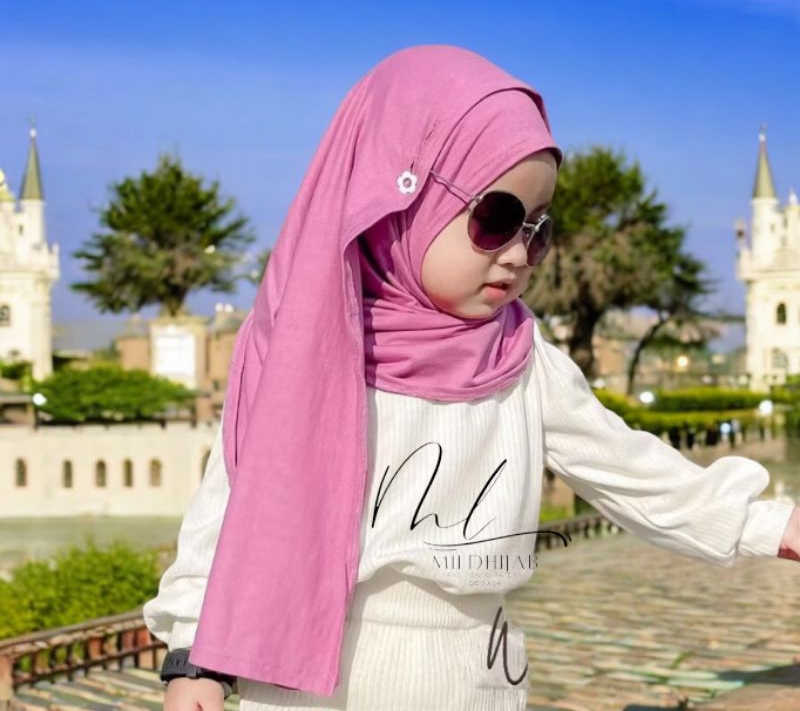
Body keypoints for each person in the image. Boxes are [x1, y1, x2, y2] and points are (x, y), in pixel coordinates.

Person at [142, 44, 800, 711]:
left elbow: (628, 469)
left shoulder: (520, 357)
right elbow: (234, 505)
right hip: (298, 688)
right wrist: (194, 655)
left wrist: (768, 523)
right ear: (401, 197)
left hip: (470, 677)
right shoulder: (303, 345)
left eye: (537, 230)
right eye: (496, 218)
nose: (518, 254)